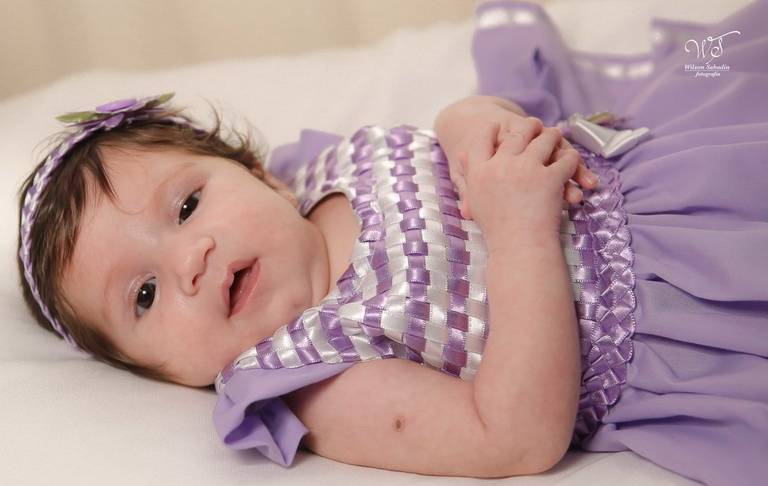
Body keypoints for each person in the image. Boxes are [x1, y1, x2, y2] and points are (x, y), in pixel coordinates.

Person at [16, 1, 767, 484]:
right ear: (163, 374)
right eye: (143, 295)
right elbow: (510, 438)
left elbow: (462, 130)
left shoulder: (327, 168)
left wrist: (469, 121)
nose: (190, 259)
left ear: (260, 175)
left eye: (186, 204)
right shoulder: (316, 374)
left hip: (665, 182)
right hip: (679, 326)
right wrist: (521, 230)